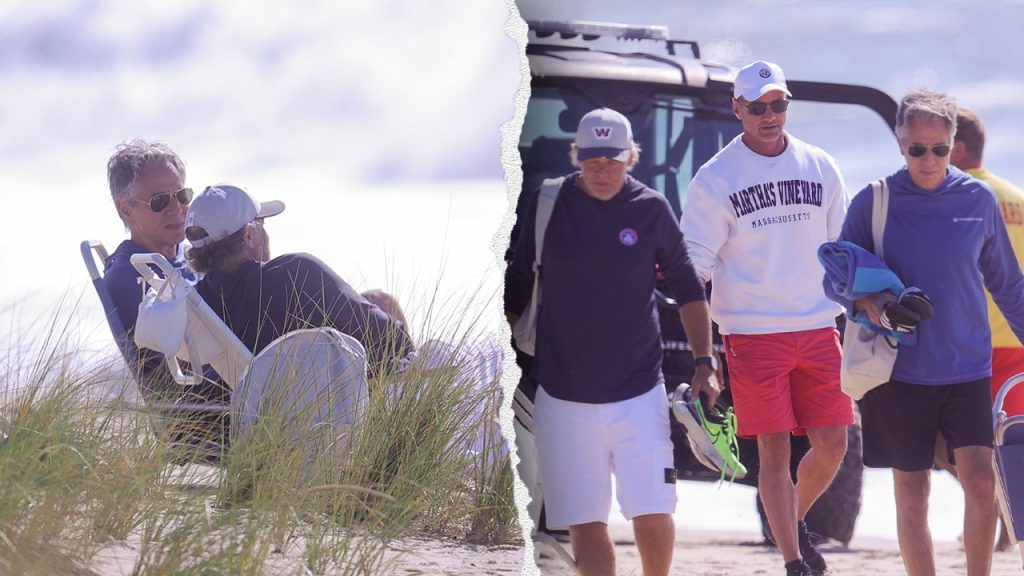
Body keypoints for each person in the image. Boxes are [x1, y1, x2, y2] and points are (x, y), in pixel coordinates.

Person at [505, 107, 717, 576]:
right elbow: (518, 285)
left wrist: (705, 363)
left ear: (631, 159)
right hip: (561, 396)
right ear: (577, 156)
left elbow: (688, 290)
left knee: (652, 508)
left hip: (638, 392)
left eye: (613, 162)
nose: (603, 172)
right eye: (593, 161)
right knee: (584, 521)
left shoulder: (651, 210)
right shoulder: (546, 205)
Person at [829, 89, 1024, 576]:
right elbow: (836, 276)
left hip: (967, 367)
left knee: (981, 481)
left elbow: (1007, 283)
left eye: (939, 149)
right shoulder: (875, 200)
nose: (929, 159)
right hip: (902, 371)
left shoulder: (977, 199)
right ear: (900, 143)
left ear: (953, 144)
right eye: (918, 149)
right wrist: (872, 304)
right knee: (912, 492)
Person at [681, 61, 853, 576]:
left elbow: (844, 250)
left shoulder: (820, 165)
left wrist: (873, 305)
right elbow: (694, 265)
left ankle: (789, 523)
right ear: (738, 109)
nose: (769, 115)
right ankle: (795, 562)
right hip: (753, 336)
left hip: (820, 327)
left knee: (833, 444)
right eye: (757, 107)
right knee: (774, 457)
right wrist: (703, 354)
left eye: (778, 104)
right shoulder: (715, 179)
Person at [184, 184, 413, 378]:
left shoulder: (191, 306)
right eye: (261, 224)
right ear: (249, 234)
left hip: (221, 424)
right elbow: (394, 339)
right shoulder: (296, 273)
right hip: (317, 423)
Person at [932, 107, 1024, 552]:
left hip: (978, 342)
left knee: (952, 447)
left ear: (959, 147)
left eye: (941, 147)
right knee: (1009, 442)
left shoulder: (963, 196)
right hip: (1019, 341)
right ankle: (1007, 521)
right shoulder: (1017, 197)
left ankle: (997, 513)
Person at [104, 139, 230, 451]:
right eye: (160, 201)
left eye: (182, 196)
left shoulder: (186, 256)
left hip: (230, 385)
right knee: (299, 271)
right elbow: (179, 366)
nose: (177, 209)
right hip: (207, 412)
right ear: (126, 209)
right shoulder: (132, 274)